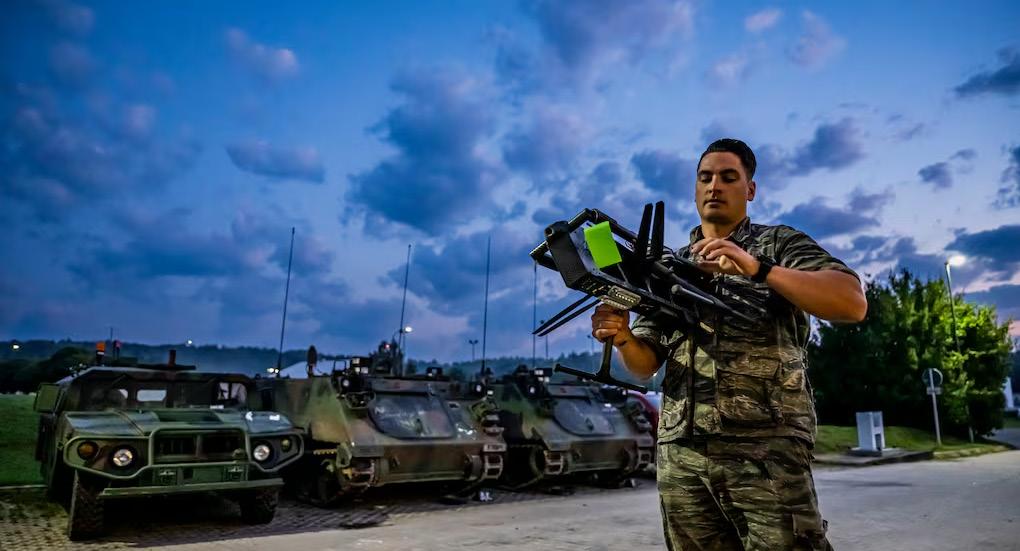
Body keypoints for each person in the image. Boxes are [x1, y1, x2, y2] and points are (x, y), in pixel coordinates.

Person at [591, 138, 867, 550]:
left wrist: (758, 269)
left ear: (750, 189)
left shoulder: (777, 244)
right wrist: (623, 336)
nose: (714, 186)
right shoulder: (668, 267)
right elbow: (645, 364)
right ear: (695, 189)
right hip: (683, 456)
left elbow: (851, 302)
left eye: (728, 177)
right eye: (705, 178)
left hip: (766, 449)